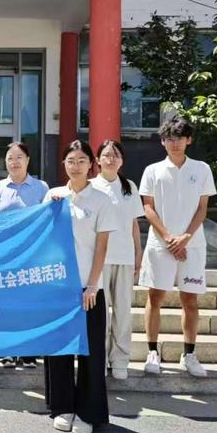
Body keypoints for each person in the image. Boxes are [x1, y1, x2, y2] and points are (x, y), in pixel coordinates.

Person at [43, 140, 115, 433]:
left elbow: (102, 247)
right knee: (58, 349)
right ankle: (62, 406)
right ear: (64, 164)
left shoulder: (101, 200)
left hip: (89, 287)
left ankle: (88, 412)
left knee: (91, 352)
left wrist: (93, 285)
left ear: (91, 165)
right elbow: (42, 238)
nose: (76, 166)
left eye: (82, 160)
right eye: (71, 160)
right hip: (58, 286)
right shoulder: (54, 195)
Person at [139, 116, 217, 378]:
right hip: (160, 244)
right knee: (155, 297)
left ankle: (189, 354)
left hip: (192, 244)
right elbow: (148, 208)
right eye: (169, 138)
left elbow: (202, 209)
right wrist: (169, 238)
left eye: (180, 138)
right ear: (163, 141)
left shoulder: (202, 169)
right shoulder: (152, 170)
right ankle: (152, 352)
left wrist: (185, 237)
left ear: (189, 140)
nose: (175, 143)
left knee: (190, 300)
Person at [0, 141, 49, 370]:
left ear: (28, 160)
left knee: (30, 303)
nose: (14, 162)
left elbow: (48, 218)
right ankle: (8, 349)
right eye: (10, 158)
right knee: (6, 303)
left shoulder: (41, 187)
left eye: (19, 157)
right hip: (5, 255)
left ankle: (29, 351)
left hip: (32, 254)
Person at [90, 140, 144, 381]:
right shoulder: (90, 187)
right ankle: (99, 359)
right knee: (100, 313)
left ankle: (120, 360)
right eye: (106, 155)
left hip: (124, 256)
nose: (111, 159)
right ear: (97, 160)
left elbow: (134, 224)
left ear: (122, 161)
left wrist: (138, 252)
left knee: (122, 311)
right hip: (98, 259)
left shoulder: (129, 187)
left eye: (116, 155)